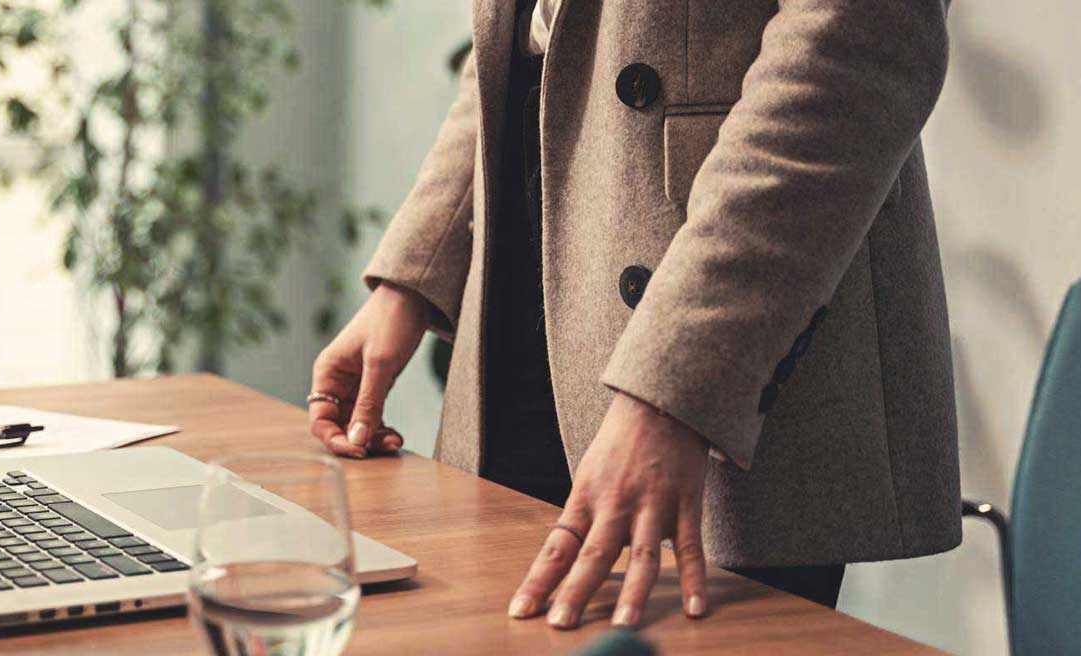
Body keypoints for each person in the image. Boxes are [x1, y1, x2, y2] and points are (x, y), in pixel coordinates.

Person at [309, 0, 961, 630]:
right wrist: (416, 271)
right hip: (528, 287)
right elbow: (524, 34)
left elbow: (858, 39)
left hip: (721, 334)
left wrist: (677, 382)